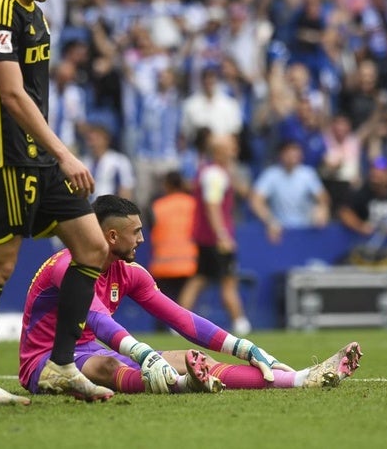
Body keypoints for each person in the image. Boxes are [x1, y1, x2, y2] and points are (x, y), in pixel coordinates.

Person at [0, 0, 113, 405]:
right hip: (9, 159)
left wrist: (55, 152)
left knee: (93, 248)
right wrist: (66, 152)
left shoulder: (38, 15)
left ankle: (62, 366)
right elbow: (10, 94)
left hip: (42, 158)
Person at [20, 195, 363, 395]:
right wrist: (144, 354)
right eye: (136, 232)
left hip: (90, 349)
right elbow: (99, 320)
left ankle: (303, 379)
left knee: (191, 357)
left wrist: (245, 347)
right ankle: (183, 386)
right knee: (108, 364)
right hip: (47, 363)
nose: (142, 239)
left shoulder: (130, 272)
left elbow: (181, 318)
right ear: (111, 236)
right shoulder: (67, 266)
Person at [177, 134, 252, 336]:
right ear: (219, 152)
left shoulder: (214, 172)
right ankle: (241, 323)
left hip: (206, 238)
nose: (234, 150)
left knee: (199, 278)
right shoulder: (215, 175)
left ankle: (177, 322)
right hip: (215, 239)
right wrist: (222, 236)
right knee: (228, 281)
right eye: (230, 147)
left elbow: (243, 190)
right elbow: (212, 206)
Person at [249, 140, 331, 244]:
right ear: (280, 155)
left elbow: (323, 198)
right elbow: (256, 200)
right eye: (288, 152)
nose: (292, 155)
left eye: (295, 151)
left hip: (306, 230)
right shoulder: (271, 174)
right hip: (280, 231)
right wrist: (270, 221)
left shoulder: (308, 174)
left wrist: (321, 209)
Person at [148, 170, 198, 303]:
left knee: (162, 307)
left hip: (162, 265)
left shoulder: (157, 206)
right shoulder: (193, 204)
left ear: (166, 185)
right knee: (184, 307)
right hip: (188, 264)